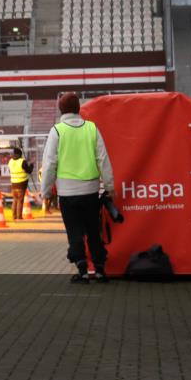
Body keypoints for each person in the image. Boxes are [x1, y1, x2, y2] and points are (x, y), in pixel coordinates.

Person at [40, 92, 114, 283]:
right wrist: (109, 185)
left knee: (74, 232)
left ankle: (82, 269)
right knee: (93, 230)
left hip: (67, 193)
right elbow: (103, 159)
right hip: (90, 191)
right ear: (78, 108)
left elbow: (49, 164)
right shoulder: (92, 128)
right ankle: (99, 269)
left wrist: (46, 192)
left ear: (60, 110)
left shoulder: (57, 131)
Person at [7, 147, 34, 220]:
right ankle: (19, 217)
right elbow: (29, 171)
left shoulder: (10, 161)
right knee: (20, 200)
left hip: (13, 183)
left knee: (15, 200)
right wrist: (31, 165)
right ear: (20, 154)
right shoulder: (22, 161)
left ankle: (14, 216)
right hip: (21, 184)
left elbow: (10, 171)